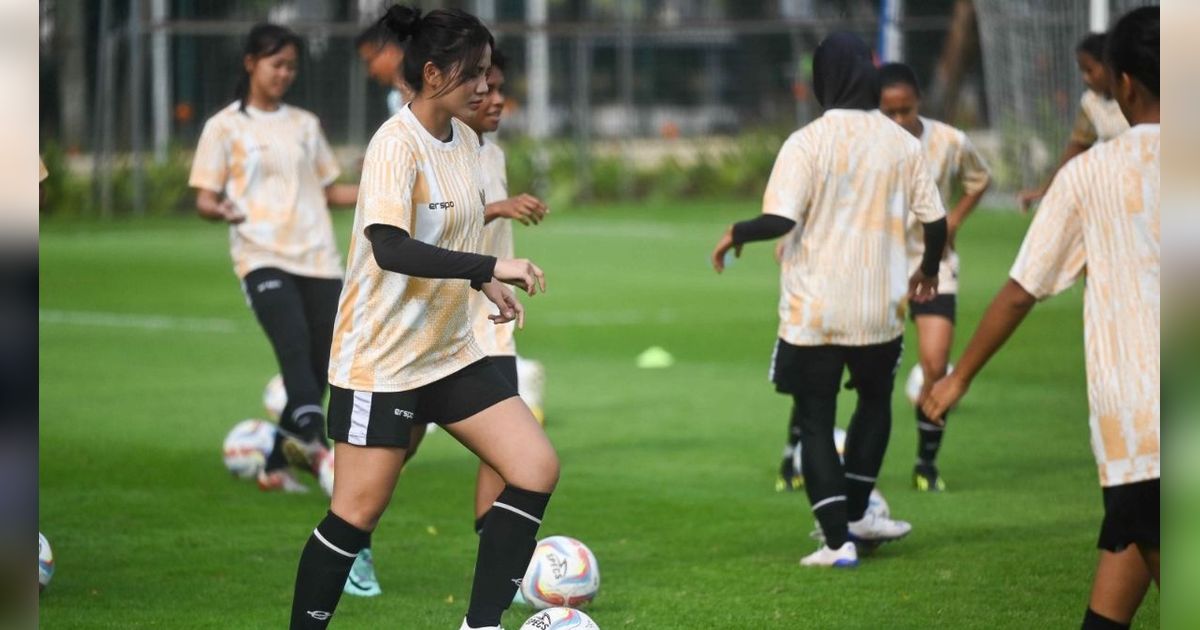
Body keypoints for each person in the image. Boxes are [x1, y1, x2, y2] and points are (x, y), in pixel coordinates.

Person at [288, 7, 557, 629]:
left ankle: (480, 625)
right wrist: (480, 269)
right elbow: (392, 246)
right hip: (382, 358)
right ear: (433, 74)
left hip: (449, 351)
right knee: (356, 513)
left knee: (535, 466)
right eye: (477, 76)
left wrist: (486, 278)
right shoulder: (394, 143)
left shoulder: (466, 142)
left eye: (490, 74)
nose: (488, 88)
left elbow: (456, 229)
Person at [923, 7, 1159, 629]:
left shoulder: (1090, 175)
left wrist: (959, 375)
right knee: (1125, 550)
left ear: (1125, 83)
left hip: (1143, 425)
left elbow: (1022, 291)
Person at [711, 32, 947, 568]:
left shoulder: (807, 142)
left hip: (815, 308)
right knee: (874, 404)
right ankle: (859, 511)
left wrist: (736, 231)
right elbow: (936, 221)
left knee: (815, 418)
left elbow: (781, 219)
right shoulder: (902, 143)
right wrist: (928, 273)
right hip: (879, 309)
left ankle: (838, 542)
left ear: (822, 79)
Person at [188, 23, 358, 492]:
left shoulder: (304, 125)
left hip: (318, 255)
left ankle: (275, 463)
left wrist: (382, 193)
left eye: (291, 67)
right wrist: (217, 208)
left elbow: (328, 191)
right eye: (276, 64)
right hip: (260, 253)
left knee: (325, 359)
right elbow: (205, 196)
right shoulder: (224, 126)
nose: (284, 74)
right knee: (293, 341)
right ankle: (314, 434)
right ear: (250, 63)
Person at [876, 61, 991, 491]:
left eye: (905, 110)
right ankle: (799, 454)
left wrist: (955, 220)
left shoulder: (949, 140)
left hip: (932, 265)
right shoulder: (866, 144)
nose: (899, 120)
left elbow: (979, 179)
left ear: (918, 102)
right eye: (889, 112)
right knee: (845, 364)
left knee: (935, 363)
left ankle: (926, 466)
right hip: (878, 263)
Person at [1017, 32, 1129, 212]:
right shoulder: (1090, 102)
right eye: (1082, 72)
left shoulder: (1138, 94)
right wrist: (1044, 190)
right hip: (1113, 189)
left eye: (1090, 70)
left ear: (1110, 65)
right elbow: (1076, 147)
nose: (1085, 78)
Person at [356, 17, 414, 116]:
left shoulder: (433, 85)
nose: (370, 73)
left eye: (369, 62)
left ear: (389, 51)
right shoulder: (395, 99)